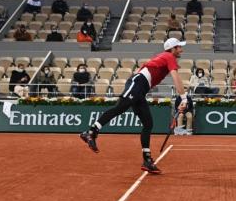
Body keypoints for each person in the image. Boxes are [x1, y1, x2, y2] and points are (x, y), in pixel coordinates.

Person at [80, 38, 189, 174]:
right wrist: (183, 98)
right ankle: (91, 132)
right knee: (120, 108)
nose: (181, 50)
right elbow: (175, 77)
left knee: (148, 124)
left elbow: (143, 68)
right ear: (173, 49)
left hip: (140, 88)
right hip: (137, 83)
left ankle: (147, 161)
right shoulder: (169, 56)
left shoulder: (164, 57)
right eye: (179, 47)